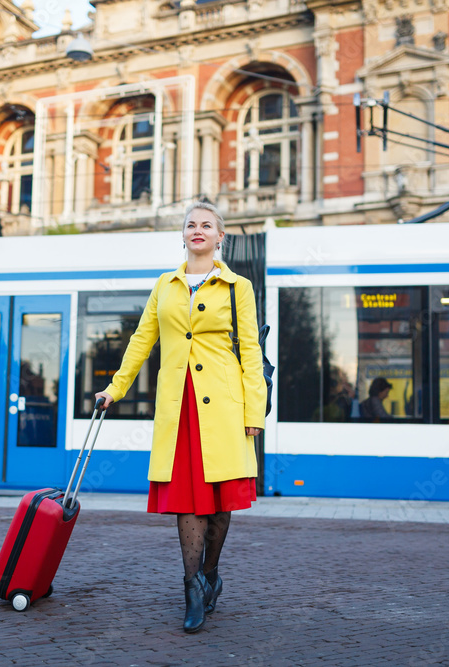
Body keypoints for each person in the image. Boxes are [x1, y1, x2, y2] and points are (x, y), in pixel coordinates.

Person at [95, 201, 266, 634]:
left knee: (221, 505)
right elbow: (140, 342)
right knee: (188, 500)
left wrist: (254, 413)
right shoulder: (164, 286)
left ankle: (210, 574)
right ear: (183, 235)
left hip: (226, 409)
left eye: (207, 225)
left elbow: (251, 352)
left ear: (219, 237)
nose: (198, 230)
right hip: (179, 406)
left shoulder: (237, 287)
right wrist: (115, 388)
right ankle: (191, 587)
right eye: (191, 224)